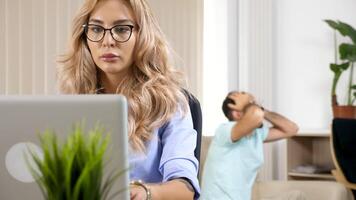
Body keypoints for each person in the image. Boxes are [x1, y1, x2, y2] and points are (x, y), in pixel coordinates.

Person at [57, 0, 200, 199]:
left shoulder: (171, 103)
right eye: (97, 29)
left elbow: (185, 188)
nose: (108, 41)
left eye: (122, 29)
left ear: (143, 35)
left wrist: (146, 193)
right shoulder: (69, 101)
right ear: (84, 37)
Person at [200, 91, 299, 200]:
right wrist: (251, 105)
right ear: (237, 114)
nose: (256, 107)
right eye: (249, 105)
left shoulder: (257, 134)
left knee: (297, 196)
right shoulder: (224, 131)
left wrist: (260, 109)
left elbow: (291, 129)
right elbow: (256, 115)